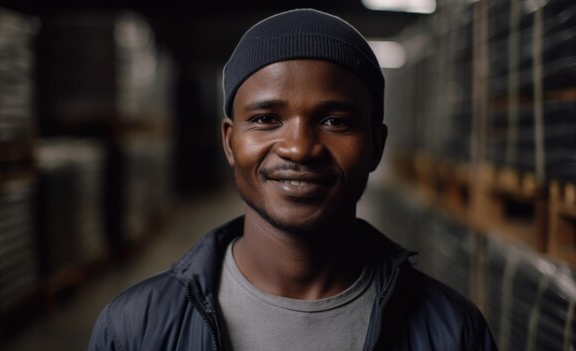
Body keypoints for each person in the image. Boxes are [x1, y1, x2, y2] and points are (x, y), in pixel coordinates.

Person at [88, 9, 497, 351]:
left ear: (376, 145)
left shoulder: (454, 333)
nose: (300, 148)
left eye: (335, 121)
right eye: (267, 120)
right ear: (230, 142)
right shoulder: (134, 329)